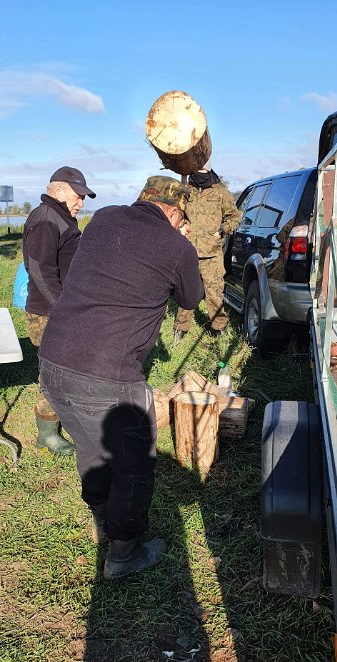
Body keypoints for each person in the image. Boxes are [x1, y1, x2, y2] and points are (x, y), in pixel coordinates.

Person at [38, 176, 203, 580]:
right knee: (134, 466)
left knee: (91, 447)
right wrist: (182, 244)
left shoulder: (105, 217)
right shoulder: (177, 245)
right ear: (174, 212)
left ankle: (102, 519)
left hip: (53, 363)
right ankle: (124, 552)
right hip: (107, 376)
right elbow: (191, 298)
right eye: (182, 219)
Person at [23, 166, 96, 455]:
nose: (82, 202)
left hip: (63, 309)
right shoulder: (45, 219)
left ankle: (66, 418)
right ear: (60, 189)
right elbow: (39, 269)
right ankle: (47, 434)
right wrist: (63, 307)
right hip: (48, 313)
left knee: (67, 368)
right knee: (54, 373)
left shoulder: (59, 217)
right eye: (79, 195)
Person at [173, 161, 241, 341]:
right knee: (186, 291)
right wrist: (182, 225)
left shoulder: (220, 191)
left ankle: (219, 329)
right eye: (197, 166)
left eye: (204, 166)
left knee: (214, 293)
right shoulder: (187, 190)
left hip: (212, 252)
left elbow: (234, 217)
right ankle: (180, 329)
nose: (200, 169)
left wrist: (223, 230)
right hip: (188, 250)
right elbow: (177, 213)